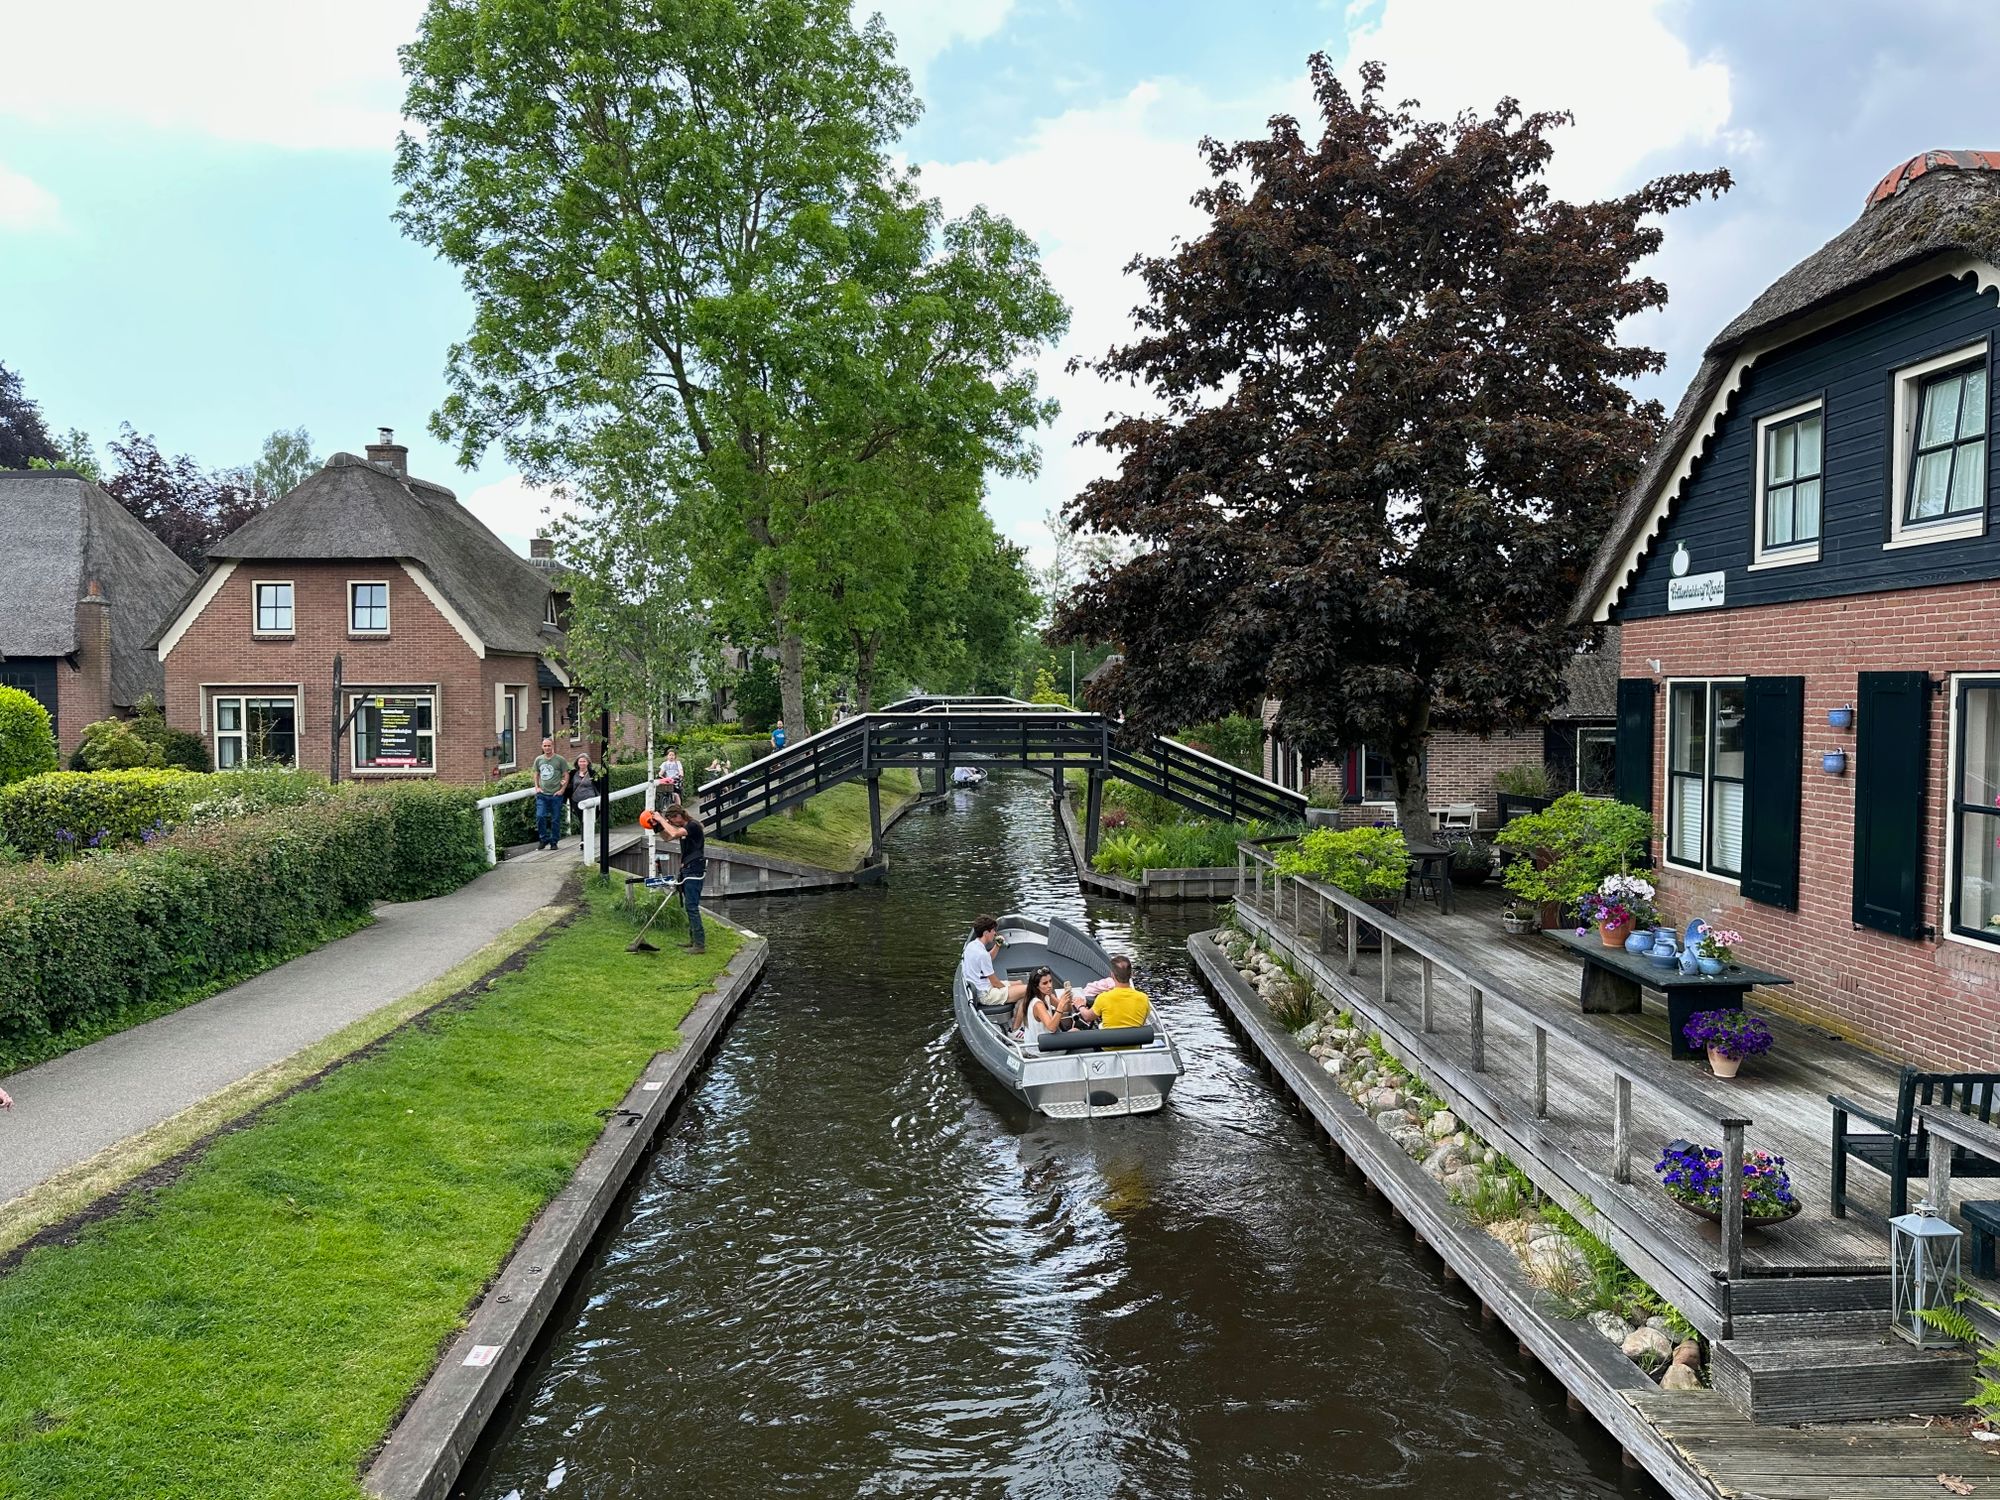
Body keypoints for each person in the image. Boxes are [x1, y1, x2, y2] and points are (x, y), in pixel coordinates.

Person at [962, 915, 1028, 1028]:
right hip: (986, 994)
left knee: (1019, 983)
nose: (995, 933)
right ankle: (1015, 1030)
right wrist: (1009, 989)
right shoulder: (982, 954)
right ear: (986, 933)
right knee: (1028, 989)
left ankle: (1016, 1017)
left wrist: (997, 945)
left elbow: (988, 958)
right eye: (993, 931)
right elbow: (995, 983)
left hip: (982, 987)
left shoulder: (972, 946)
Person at [661, 804, 707, 954]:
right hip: (687, 869)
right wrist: (658, 827)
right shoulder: (683, 828)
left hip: (695, 870)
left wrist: (661, 820)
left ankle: (699, 944)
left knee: (692, 906)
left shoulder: (693, 826)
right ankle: (693, 940)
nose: (671, 823)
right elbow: (667, 837)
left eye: (671, 820)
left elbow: (673, 833)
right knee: (689, 906)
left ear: (678, 816)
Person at [1080, 956, 1151, 1030]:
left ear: (1112, 975)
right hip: (1136, 1040)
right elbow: (1143, 1021)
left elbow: (1087, 1017)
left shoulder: (1103, 998)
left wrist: (1080, 1006)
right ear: (1131, 974)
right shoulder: (1144, 998)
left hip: (1110, 1040)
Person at [531, 737, 569, 850]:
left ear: (553, 746)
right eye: (545, 746)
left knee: (555, 819)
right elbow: (536, 773)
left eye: (549, 745)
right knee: (540, 816)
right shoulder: (539, 759)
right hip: (542, 795)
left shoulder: (560, 760)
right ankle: (543, 839)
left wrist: (562, 790)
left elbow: (566, 774)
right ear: (542, 747)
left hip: (555, 795)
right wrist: (537, 787)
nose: (547, 748)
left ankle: (554, 842)